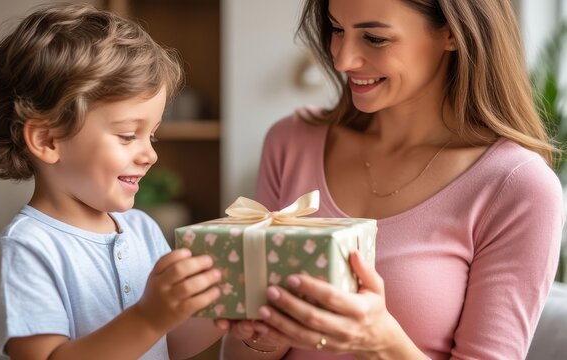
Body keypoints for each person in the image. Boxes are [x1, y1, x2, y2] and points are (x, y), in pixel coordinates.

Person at [217, 0, 564, 359]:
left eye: (374, 38)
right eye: (337, 30)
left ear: (451, 32)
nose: (342, 60)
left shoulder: (517, 187)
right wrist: (264, 339)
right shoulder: (290, 142)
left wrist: (379, 343)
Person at [0, 4, 224, 359]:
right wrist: (149, 318)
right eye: (126, 135)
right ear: (48, 141)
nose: (149, 154)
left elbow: (172, 342)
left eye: (151, 135)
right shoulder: (26, 251)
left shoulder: (143, 230)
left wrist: (228, 310)